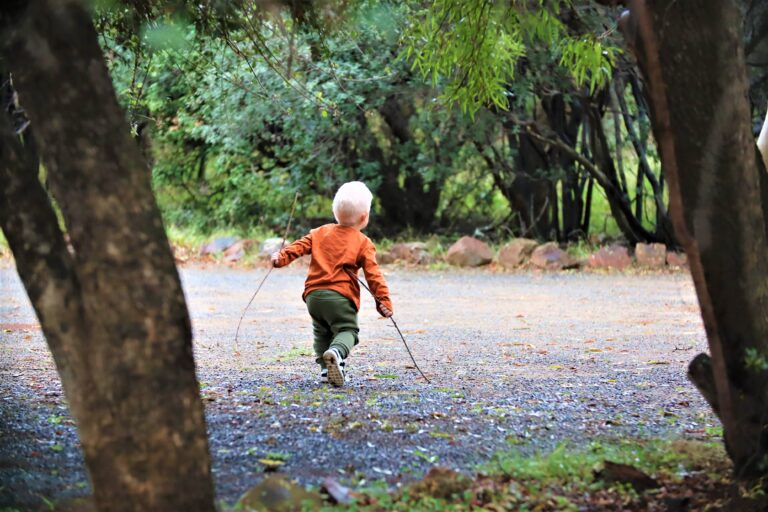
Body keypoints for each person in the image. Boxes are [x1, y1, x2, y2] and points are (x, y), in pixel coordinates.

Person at [271, 181, 393, 387]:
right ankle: (337, 352)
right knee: (347, 331)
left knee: (321, 332)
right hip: (341, 297)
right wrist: (384, 302)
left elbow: (298, 247)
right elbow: (374, 275)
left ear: (335, 212)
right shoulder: (363, 242)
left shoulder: (319, 232)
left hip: (314, 296)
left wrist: (280, 257)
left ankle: (326, 372)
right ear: (364, 217)